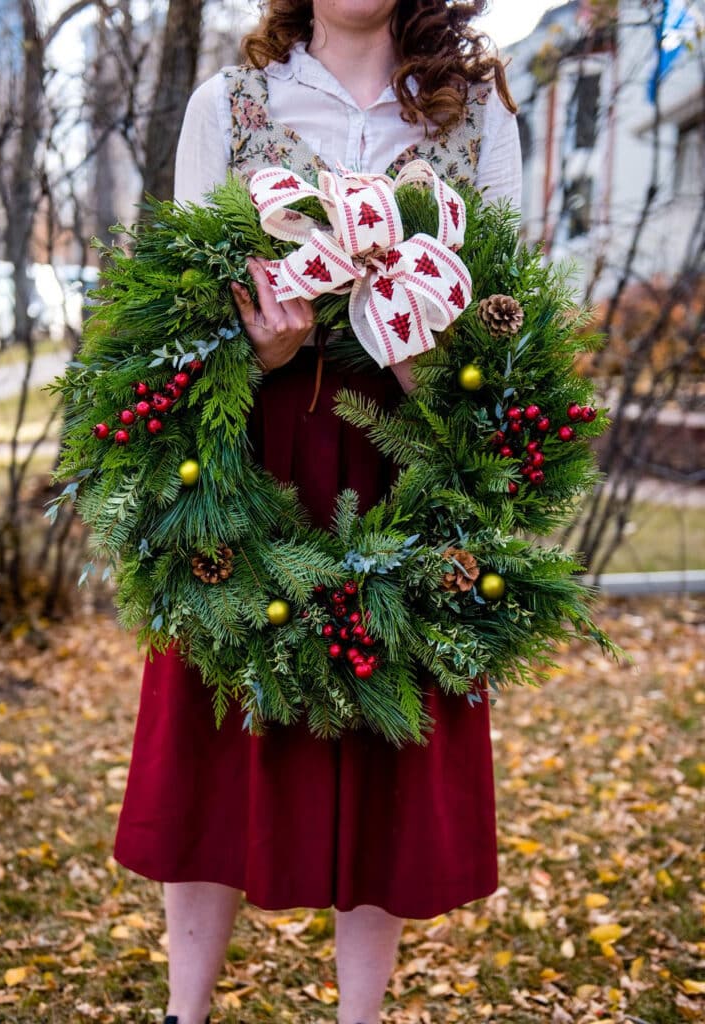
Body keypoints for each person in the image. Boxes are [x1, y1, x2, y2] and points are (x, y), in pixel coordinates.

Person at [113, 3, 522, 1023]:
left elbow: (520, 326)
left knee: (386, 741)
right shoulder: (230, 107)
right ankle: (185, 1010)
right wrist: (257, 353)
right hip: (258, 459)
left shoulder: (471, 119)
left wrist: (437, 366)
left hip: (406, 464)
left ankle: (360, 1016)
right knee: (217, 737)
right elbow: (173, 315)